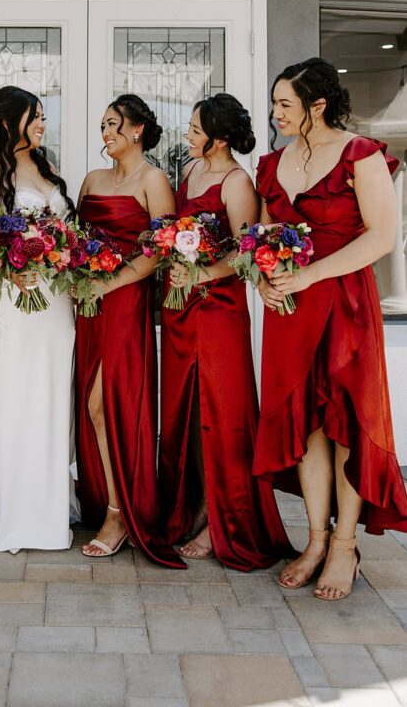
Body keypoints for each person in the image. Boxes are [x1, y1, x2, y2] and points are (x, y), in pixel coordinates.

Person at [254, 57, 407, 600]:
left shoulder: (360, 155)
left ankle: (345, 543)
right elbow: (265, 238)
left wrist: (310, 274)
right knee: (306, 425)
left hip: (344, 304)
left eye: (285, 105)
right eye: (274, 104)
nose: (275, 115)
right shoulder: (271, 164)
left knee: (344, 421)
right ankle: (315, 540)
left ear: (318, 106)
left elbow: (382, 237)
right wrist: (265, 280)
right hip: (290, 313)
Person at [159, 94, 292, 570]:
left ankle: (225, 521)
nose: (188, 137)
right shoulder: (192, 172)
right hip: (180, 309)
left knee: (222, 412)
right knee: (187, 412)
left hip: (218, 310)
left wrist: (199, 275)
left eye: (195, 130)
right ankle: (196, 504)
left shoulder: (237, 182)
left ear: (218, 137)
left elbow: (245, 251)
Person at [0, 86, 76, 553]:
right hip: (15, 298)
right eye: (35, 117)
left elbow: (67, 232)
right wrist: (12, 266)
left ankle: (52, 507)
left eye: (44, 117)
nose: (42, 125)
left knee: (54, 395)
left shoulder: (46, 167)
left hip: (57, 300)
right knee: (17, 393)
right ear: (11, 122)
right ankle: (17, 515)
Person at [75, 94, 183, 567]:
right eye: (103, 126)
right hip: (87, 302)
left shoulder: (154, 179)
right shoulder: (92, 179)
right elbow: (75, 238)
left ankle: (121, 514)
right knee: (89, 404)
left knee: (106, 403)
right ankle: (105, 500)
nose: (106, 134)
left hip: (123, 302)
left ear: (138, 129)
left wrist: (110, 282)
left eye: (114, 125)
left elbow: (161, 249)